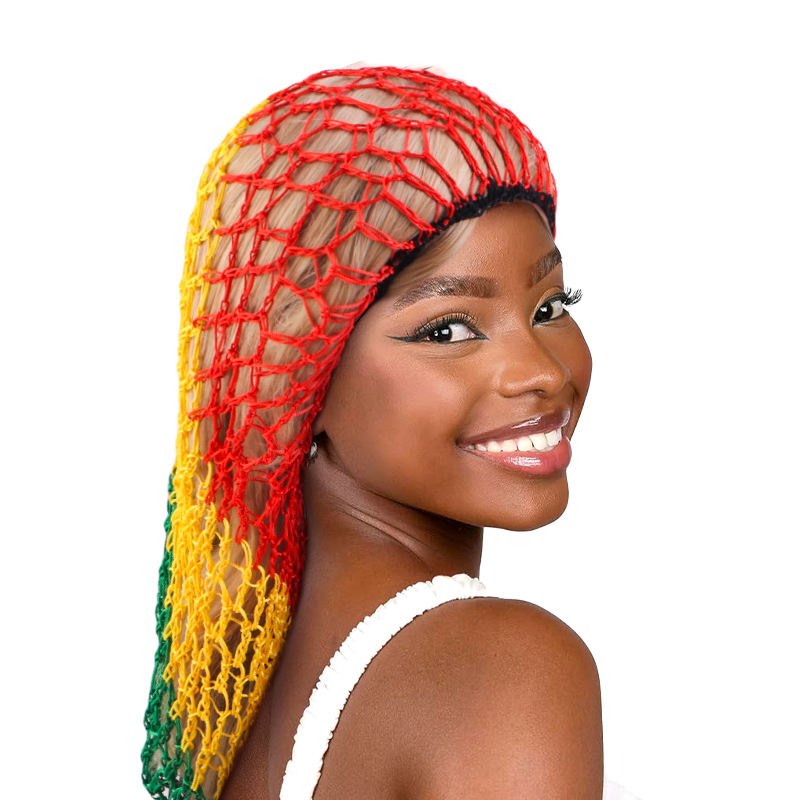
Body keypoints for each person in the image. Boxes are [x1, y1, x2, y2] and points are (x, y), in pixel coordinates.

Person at [142, 65, 606, 799]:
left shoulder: (247, 690)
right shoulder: (505, 669)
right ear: (296, 376)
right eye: (448, 329)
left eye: (551, 306)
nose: (543, 372)